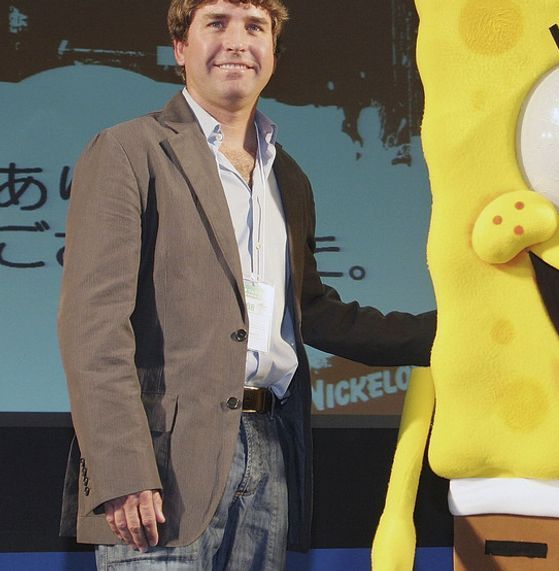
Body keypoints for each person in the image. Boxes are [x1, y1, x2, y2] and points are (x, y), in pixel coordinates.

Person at [57, 0, 435, 567]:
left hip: (270, 448)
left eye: (254, 27)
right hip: (162, 465)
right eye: (217, 24)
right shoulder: (128, 151)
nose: (237, 41)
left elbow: (313, 312)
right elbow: (93, 328)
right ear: (181, 49)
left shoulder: (288, 176)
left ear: (273, 56)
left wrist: (456, 332)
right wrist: (123, 471)